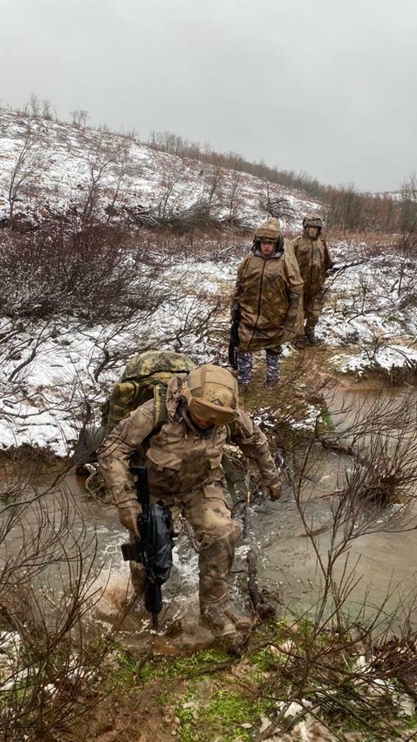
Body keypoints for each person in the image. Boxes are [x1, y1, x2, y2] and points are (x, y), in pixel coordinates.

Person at [97, 364, 283, 639]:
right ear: (187, 400)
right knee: (148, 557)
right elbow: (112, 451)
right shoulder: (154, 413)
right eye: (203, 415)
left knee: (223, 532)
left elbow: (255, 440)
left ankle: (213, 611)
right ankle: (140, 609)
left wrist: (271, 477)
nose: (208, 423)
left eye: (215, 419)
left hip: (201, 486)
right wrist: (126, 502)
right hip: (155, 491)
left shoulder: (228, 416)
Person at [232, 217, 303, 387]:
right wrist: (234, 306)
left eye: (270, 242)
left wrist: (291, 319)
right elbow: (239, 284)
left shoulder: (286, 262)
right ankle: (244, 381)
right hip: (249, 315)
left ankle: (272, 380)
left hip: (275, 318)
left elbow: (296, 291)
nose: (266, 246)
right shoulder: (249, 259)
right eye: (263, 242)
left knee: (273, 350)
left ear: (277, 243)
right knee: (243, 348)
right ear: (258, 242)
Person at [291, 216, 334, 345]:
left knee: (315, 312)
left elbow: (328, 263)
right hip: (299, 285)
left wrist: (329, 271)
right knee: (298, 313)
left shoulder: (322, 244)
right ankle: (298, 336)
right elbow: (287, 263)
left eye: (315, 228)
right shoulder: (296, 243)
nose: (313, 231)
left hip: (317, 285)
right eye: (310, 228)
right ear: (305, 228)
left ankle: (309, 330)